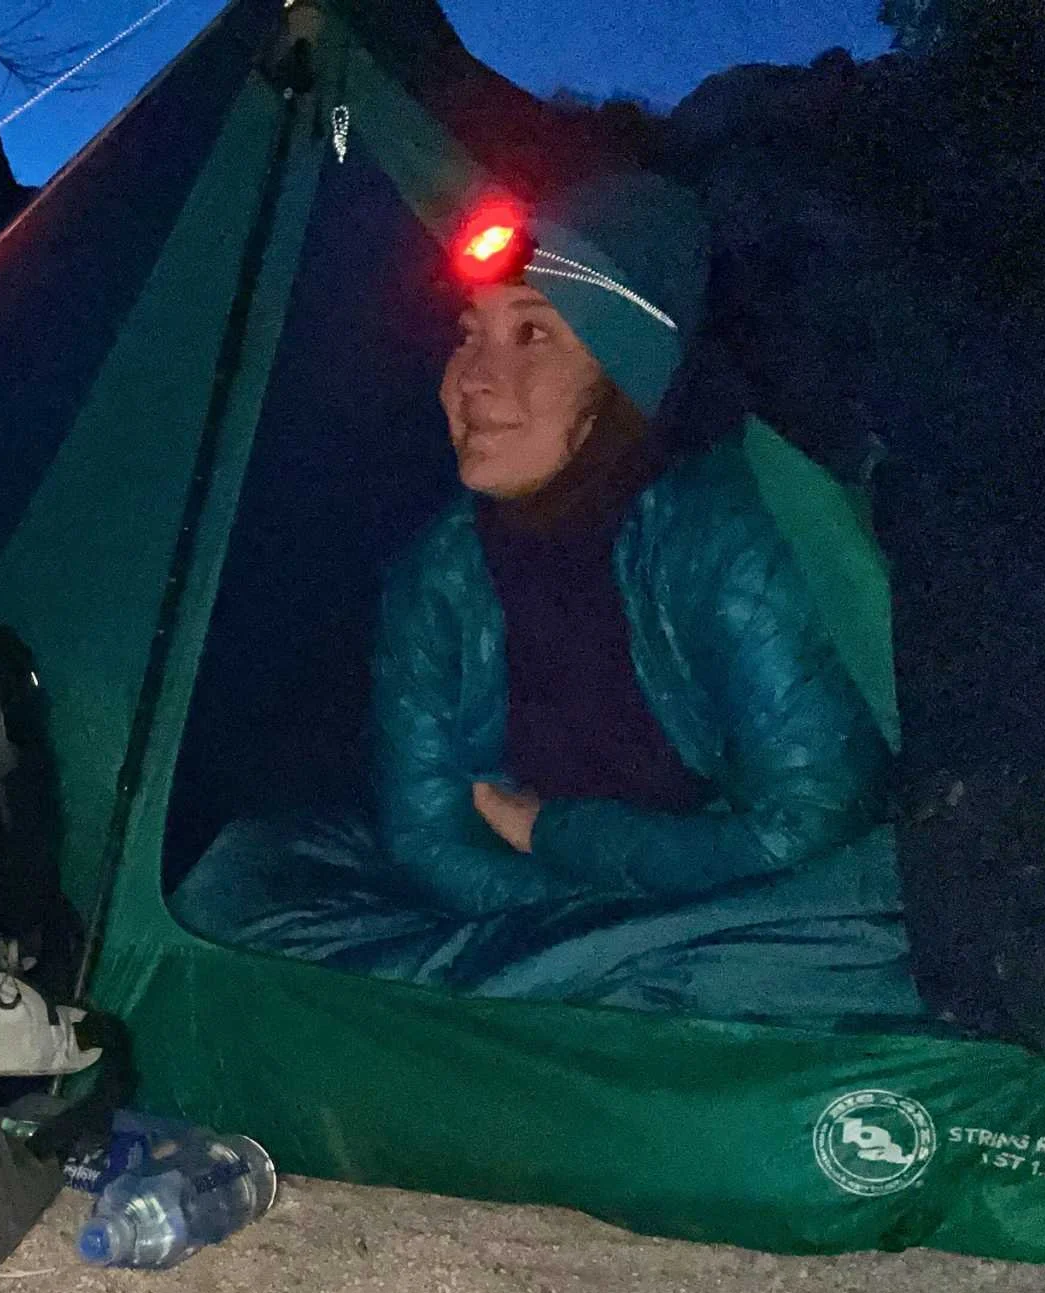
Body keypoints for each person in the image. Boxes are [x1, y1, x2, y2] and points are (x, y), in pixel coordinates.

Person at [173, 172, 923, 1025]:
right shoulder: (440, 575)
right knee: (237, 884)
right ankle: (564, 1000)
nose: (474, 382)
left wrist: (556, 834)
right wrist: (572, 920)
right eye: (467, 337)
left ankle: (502, 1010)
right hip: (555, 914)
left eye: (533, 333)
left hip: (744, 908)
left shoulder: (734, 532)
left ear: (625, 372)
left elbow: (804, 830)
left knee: (858, 928)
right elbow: (425, 833)